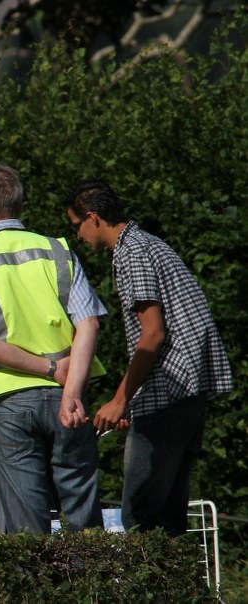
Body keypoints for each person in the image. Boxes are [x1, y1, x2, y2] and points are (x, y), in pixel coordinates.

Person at [64, 179, 233, 536]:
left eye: (76, 225)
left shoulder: (132, 253)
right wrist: (135, 400)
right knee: (170, 517)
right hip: (185, 390)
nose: (77, 235)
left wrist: (120, 400)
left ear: (92, 217)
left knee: (141, 518)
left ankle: (151, 576)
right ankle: (180, 574)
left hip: (169, 395)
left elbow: (153, 334)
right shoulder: (149, 244)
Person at [0, 164, 107, 533]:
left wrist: (48, 370)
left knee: (28, 526)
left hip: (8, 402)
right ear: (20, 206)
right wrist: (70, 389)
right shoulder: (58, 250)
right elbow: (89, 323)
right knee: (83, 519)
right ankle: (90, 573)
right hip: (68, 396)